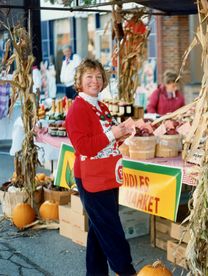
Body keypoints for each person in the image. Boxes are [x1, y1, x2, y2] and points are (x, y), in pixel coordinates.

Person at [65, 58, 136, 276]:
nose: (94, 81)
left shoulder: (101, 106)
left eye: (98, 77)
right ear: (79, 81)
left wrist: (123, 134)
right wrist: (113, 134)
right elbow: (84, 147)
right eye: (89, 76)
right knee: (111, 229)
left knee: (99, 229)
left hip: (107, 174)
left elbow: (106, 142)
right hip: (91, 178)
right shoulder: (78, 108)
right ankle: (126, 271)